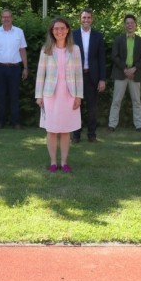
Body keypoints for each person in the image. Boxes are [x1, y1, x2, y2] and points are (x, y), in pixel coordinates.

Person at [35, 17, 83, 173]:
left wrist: (79, 96)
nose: (59, 31)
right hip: (50, 95)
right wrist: (39, 95)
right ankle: (53, 162)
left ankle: (64, 162)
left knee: (65, 129)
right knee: (52, 130)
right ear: (52, 31)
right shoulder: (46, 49)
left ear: (68, 30)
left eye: (62, 28)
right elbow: (40, 74)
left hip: (69, 94)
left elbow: (78, 74)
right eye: (56, 28)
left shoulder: (74, 49)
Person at [0, 9, 28, 129]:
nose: (6, 19)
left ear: (12, 18)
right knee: (0, 96)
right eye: (4, 17)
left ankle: (16, 123)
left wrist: (25, 68)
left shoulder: (19, 32)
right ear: (1, 18)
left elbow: (22, 50)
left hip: (15, 68)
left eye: (8, 17)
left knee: (15, 96)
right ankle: (1, 122)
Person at [71, 8, 106, 143]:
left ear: (92, 19)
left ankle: (92, 135)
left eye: (88, 17)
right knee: (75, 107)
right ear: (80, 19)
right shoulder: (72, 35)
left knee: (92, 108)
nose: (86, 20)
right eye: (84, 17)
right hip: (76, 77)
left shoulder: (98, 36)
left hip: (92, 77)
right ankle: (76, 136)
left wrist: (102, 79)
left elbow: (102, 58)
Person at [108, 14, 141, 131]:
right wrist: (125, 69)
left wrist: (134, 68)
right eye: (127, 23)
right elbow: (114, 56)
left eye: (132, 23)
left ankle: (139, 125)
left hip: (135, 74)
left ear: (135, 25)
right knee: (116, 100)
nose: (130, 25)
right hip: (121, 73)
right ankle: (112, 125)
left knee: (137, 101)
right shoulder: (118, 39)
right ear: (125, 25)